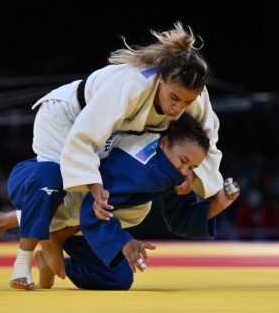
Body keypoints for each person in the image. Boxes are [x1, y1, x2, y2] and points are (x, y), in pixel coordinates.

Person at [0, 113, 239, 290]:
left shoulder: (167, 168)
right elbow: (92, 208)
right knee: (89, 200)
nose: (185, 172)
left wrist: (218, 203)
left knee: (119, 277)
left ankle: (54, 249)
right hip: (40, 179)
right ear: (164, 142)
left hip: (85, 207)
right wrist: (124, 242)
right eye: (183, 162)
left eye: (192, 167)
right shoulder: (140, 164)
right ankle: (20, 227)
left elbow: (178, 220)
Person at [31, 21, 223, 225]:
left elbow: (207, 140)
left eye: (187, 102)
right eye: (174, 97)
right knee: (59, 190)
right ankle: (24, 237)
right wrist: (95, 186)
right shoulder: (133, 83)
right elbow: (86, 134)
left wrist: (193, 174)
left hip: (112, 134)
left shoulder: (194, 95)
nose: (178, 108)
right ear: (160, 79)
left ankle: (58, 243)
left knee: (135, 210)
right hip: (64, 117)